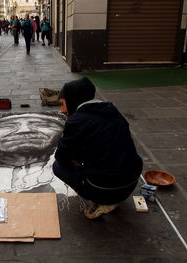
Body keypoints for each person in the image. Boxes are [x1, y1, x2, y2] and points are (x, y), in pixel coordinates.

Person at [52, 77, 143, 219]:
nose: (62, 110)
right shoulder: (112, 111)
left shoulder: (77, 121)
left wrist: (76, 157)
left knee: (58, 167)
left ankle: (102, 201)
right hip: (131, 182)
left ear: (73, 100)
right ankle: (109, 196)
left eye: (63, 104)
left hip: (105, 187)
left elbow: (61, 157)